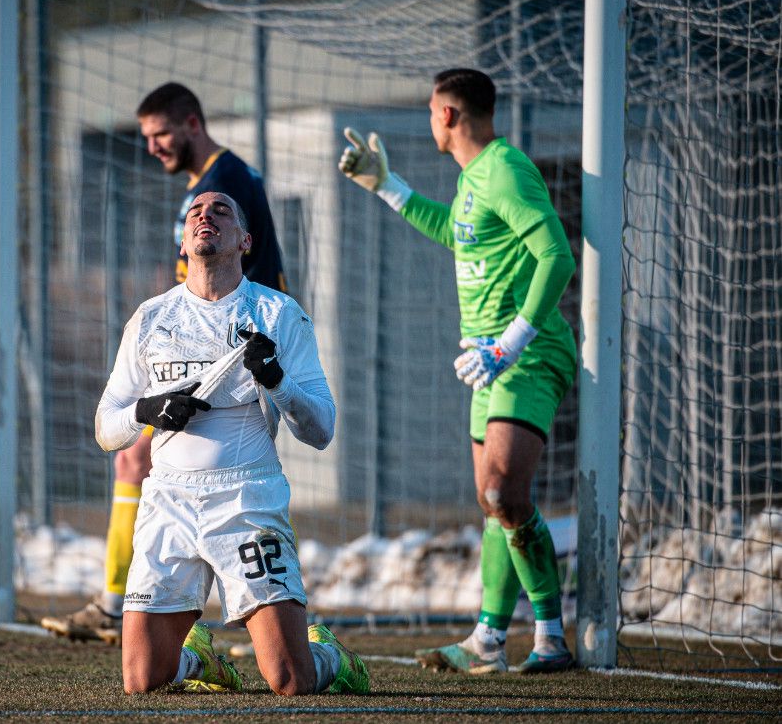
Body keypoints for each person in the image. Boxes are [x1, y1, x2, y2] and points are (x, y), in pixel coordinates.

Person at [339, 68, 577, 674]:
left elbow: (557, 254)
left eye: (429, 112)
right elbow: (457, 232)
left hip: (527, 354)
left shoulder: (505, 168)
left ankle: (551, 638)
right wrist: (386, 185)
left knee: (504, 492)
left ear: (447, 115)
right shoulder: (474, 179)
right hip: (489, 362)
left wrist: (514, 341)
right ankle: (489, 641)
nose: (428, 122)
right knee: (493, 502)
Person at [42, 82, 287, 643]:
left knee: (155, 468)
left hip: (227, 362)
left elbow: (253, 284)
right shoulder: (209, 184)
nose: (151, 146)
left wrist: (250, 355)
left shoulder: (224, 185)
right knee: (141, 463)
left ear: (192, 124)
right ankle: (141, 606)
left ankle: (126, 605)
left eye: (160, 134)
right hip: (201, 357)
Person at [95, 191, 367, 695]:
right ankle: (201, 664)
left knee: (289, 680)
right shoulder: (151, 318)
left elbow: (322, 429)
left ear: (245, 240)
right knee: (141, 679)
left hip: (246, 498)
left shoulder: (278, 314)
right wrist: (146, 410)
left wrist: (276, 380)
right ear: (183, 243)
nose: (206, 216)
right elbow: (106, 426)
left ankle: (332, 658)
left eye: (221, 211)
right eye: (196, 212)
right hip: (169, 501)